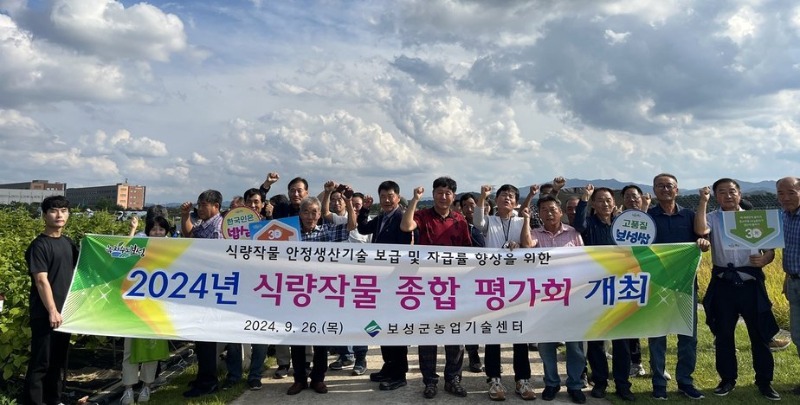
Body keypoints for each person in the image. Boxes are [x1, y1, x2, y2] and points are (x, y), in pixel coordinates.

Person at [696, 179, 780, 400]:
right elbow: (701, 230)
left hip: (751, 284)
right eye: (722, 192)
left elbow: (770, 249)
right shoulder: (712, 218)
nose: (728, 196)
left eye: (732, 191)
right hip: (723, 283)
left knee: (759, 334)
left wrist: (765, 258)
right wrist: (703, 201)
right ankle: (727, 379)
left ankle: (764, 382)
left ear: (739, 194)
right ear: (716, 196)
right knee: (723, 334)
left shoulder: (754, 218)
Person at [401, 176, 472, 399]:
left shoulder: (459, 219)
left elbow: (468, 251)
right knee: (427, 334)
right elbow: (406, 226)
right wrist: (414, 199)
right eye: (439, 192)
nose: (443, 197)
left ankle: (453, 379)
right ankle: (430, 381)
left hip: (453, 286)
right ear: (433, 194)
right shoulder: (423, 215)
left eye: (447, 193)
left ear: (453, 196)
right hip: (427, 285)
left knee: (455, 335)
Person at [287, 193, 357, 395]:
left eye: (314, 212)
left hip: (321, 293)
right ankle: (299, 379)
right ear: (300, 214)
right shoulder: (289, 234)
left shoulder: (327, 231)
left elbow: (351, 226)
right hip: (296, 293)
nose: (310, 216)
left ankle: (318, 378)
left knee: (321, 339)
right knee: (297, 338)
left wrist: (349, 204)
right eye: (306, 212)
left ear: (320, 214)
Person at [474, 184, 536, 401]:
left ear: (516, 202)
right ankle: (494, 379)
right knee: (493, 332)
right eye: (502, 195)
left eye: (511, 196)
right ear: (497, 199)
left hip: (517, 285)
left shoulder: (521, 221)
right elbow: (477, 221)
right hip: (493, 284)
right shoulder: (489, 221)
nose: (506, 199)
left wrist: (519, 240)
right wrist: (483, 197)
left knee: (520, 333)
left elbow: (528, 244)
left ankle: (522, 379)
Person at [573, 184, 634, 401]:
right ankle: (600, 381)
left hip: (622, 286)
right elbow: (578, 225)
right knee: (597, 340)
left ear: (614, 202)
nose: (605, 203)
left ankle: (623, 384)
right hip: (596, 287)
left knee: (622, 340)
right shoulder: (589, 224)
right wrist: (584, 198)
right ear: (593, 204)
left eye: (608, 200)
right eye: (600, 200)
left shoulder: (623, 224)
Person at [646, 173, 704, 400]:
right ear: (654, 190)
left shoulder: (689, 216)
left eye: (669, 186)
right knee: (657, 336)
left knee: (688, 337)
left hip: (685, 284)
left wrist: (703, 242)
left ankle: (685, 381)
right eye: (660, 186)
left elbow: (702, 237)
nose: (665, 189)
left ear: (677, 190)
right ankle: (659, 382)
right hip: (656, 285)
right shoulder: (648, 218)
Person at [357, 180, 413, 391]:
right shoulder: (381, 217)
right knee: (380, 326)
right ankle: (388, 366)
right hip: (381, 282)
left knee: (395, 328)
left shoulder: (402, 218)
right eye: (383, 197)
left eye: (390, 196)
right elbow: (362, 229)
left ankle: (399, 373)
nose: (387, 200)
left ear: (398, 197)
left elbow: (404, 245)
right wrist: (364, 209)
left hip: (396, 282)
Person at [23, 195, 79, 405]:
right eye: (54, 211)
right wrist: (52, 310)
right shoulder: (39, 246)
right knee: (41, 363)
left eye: (63, 211)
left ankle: (53, 400)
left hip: (65, 313)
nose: (59, 215)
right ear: (45, 215)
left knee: (57, 362)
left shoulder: (68, 243)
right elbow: (41, 280)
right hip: (45, 313)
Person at [531, 194, 587, 404]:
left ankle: (575, 384)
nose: (548, 213)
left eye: (552, 209)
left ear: (560, 211)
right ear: (539, 214)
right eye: (544, 209)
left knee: (575, 345)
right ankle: (552, 383)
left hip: (571, 298)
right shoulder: (534, 235)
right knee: (546, 344)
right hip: (544, 299)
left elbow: (584, 263)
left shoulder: (573, 234)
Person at [120, 216, 172, 404]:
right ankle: (128, 389)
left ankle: (147, 387)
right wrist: (132, 230)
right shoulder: (140, 247)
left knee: (152, 348)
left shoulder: (172, 249)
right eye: (154, 229)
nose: (157, 232)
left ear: (166, 232)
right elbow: (123, 252)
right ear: (148, 231)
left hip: (157, 307)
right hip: (135, 305)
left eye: (161, 229)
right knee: (129, 348)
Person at [320, 182, 369, 375]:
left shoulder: (357, 220)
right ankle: (345, 355)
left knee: (359, 318)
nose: (336, 203)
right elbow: (324, 212)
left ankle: (361, 357)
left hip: (357, 278)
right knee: (338, 317)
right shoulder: (334, 220)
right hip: (336, 279)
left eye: (339, 200)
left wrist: (348, 201)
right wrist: (327, 192)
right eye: (334, 200)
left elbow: (353, 225)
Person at [180, 190, 224, 398]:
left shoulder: (218, 228)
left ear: (216, 206)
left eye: (204, 204)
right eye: (199, 204)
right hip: (202, 287)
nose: (200, 208)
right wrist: (184, 216)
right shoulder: (204, 224)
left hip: (211, 289)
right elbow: (187, 234)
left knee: (207, 337)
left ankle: (208, 381)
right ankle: (203, 377)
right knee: (201, 337)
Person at [620, 185, 650, 378]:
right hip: (625, 276)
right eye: (628, 197)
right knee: (629, 320)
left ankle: (658, 365)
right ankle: (634, 362)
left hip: (649, 273)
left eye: (635, 196)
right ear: (623, 200)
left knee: (653, 319)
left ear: (641, 198)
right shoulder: (617, 220)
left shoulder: (652, 218)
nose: (632, 200)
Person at [777, 177, 800, 395]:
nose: (785, 198)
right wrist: (787, 278)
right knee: (798, 334)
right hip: (793, 281)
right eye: (781, 193)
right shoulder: (784, 216)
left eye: (791, 192)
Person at [458, 192, 485, 374]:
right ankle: (471, 355)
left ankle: (484, 357)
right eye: (466, 206)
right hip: (461, 280)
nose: (469, 209)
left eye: (472, 205)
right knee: (464, 319)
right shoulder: (457, 225)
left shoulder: (484, 226)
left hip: (482, 280)